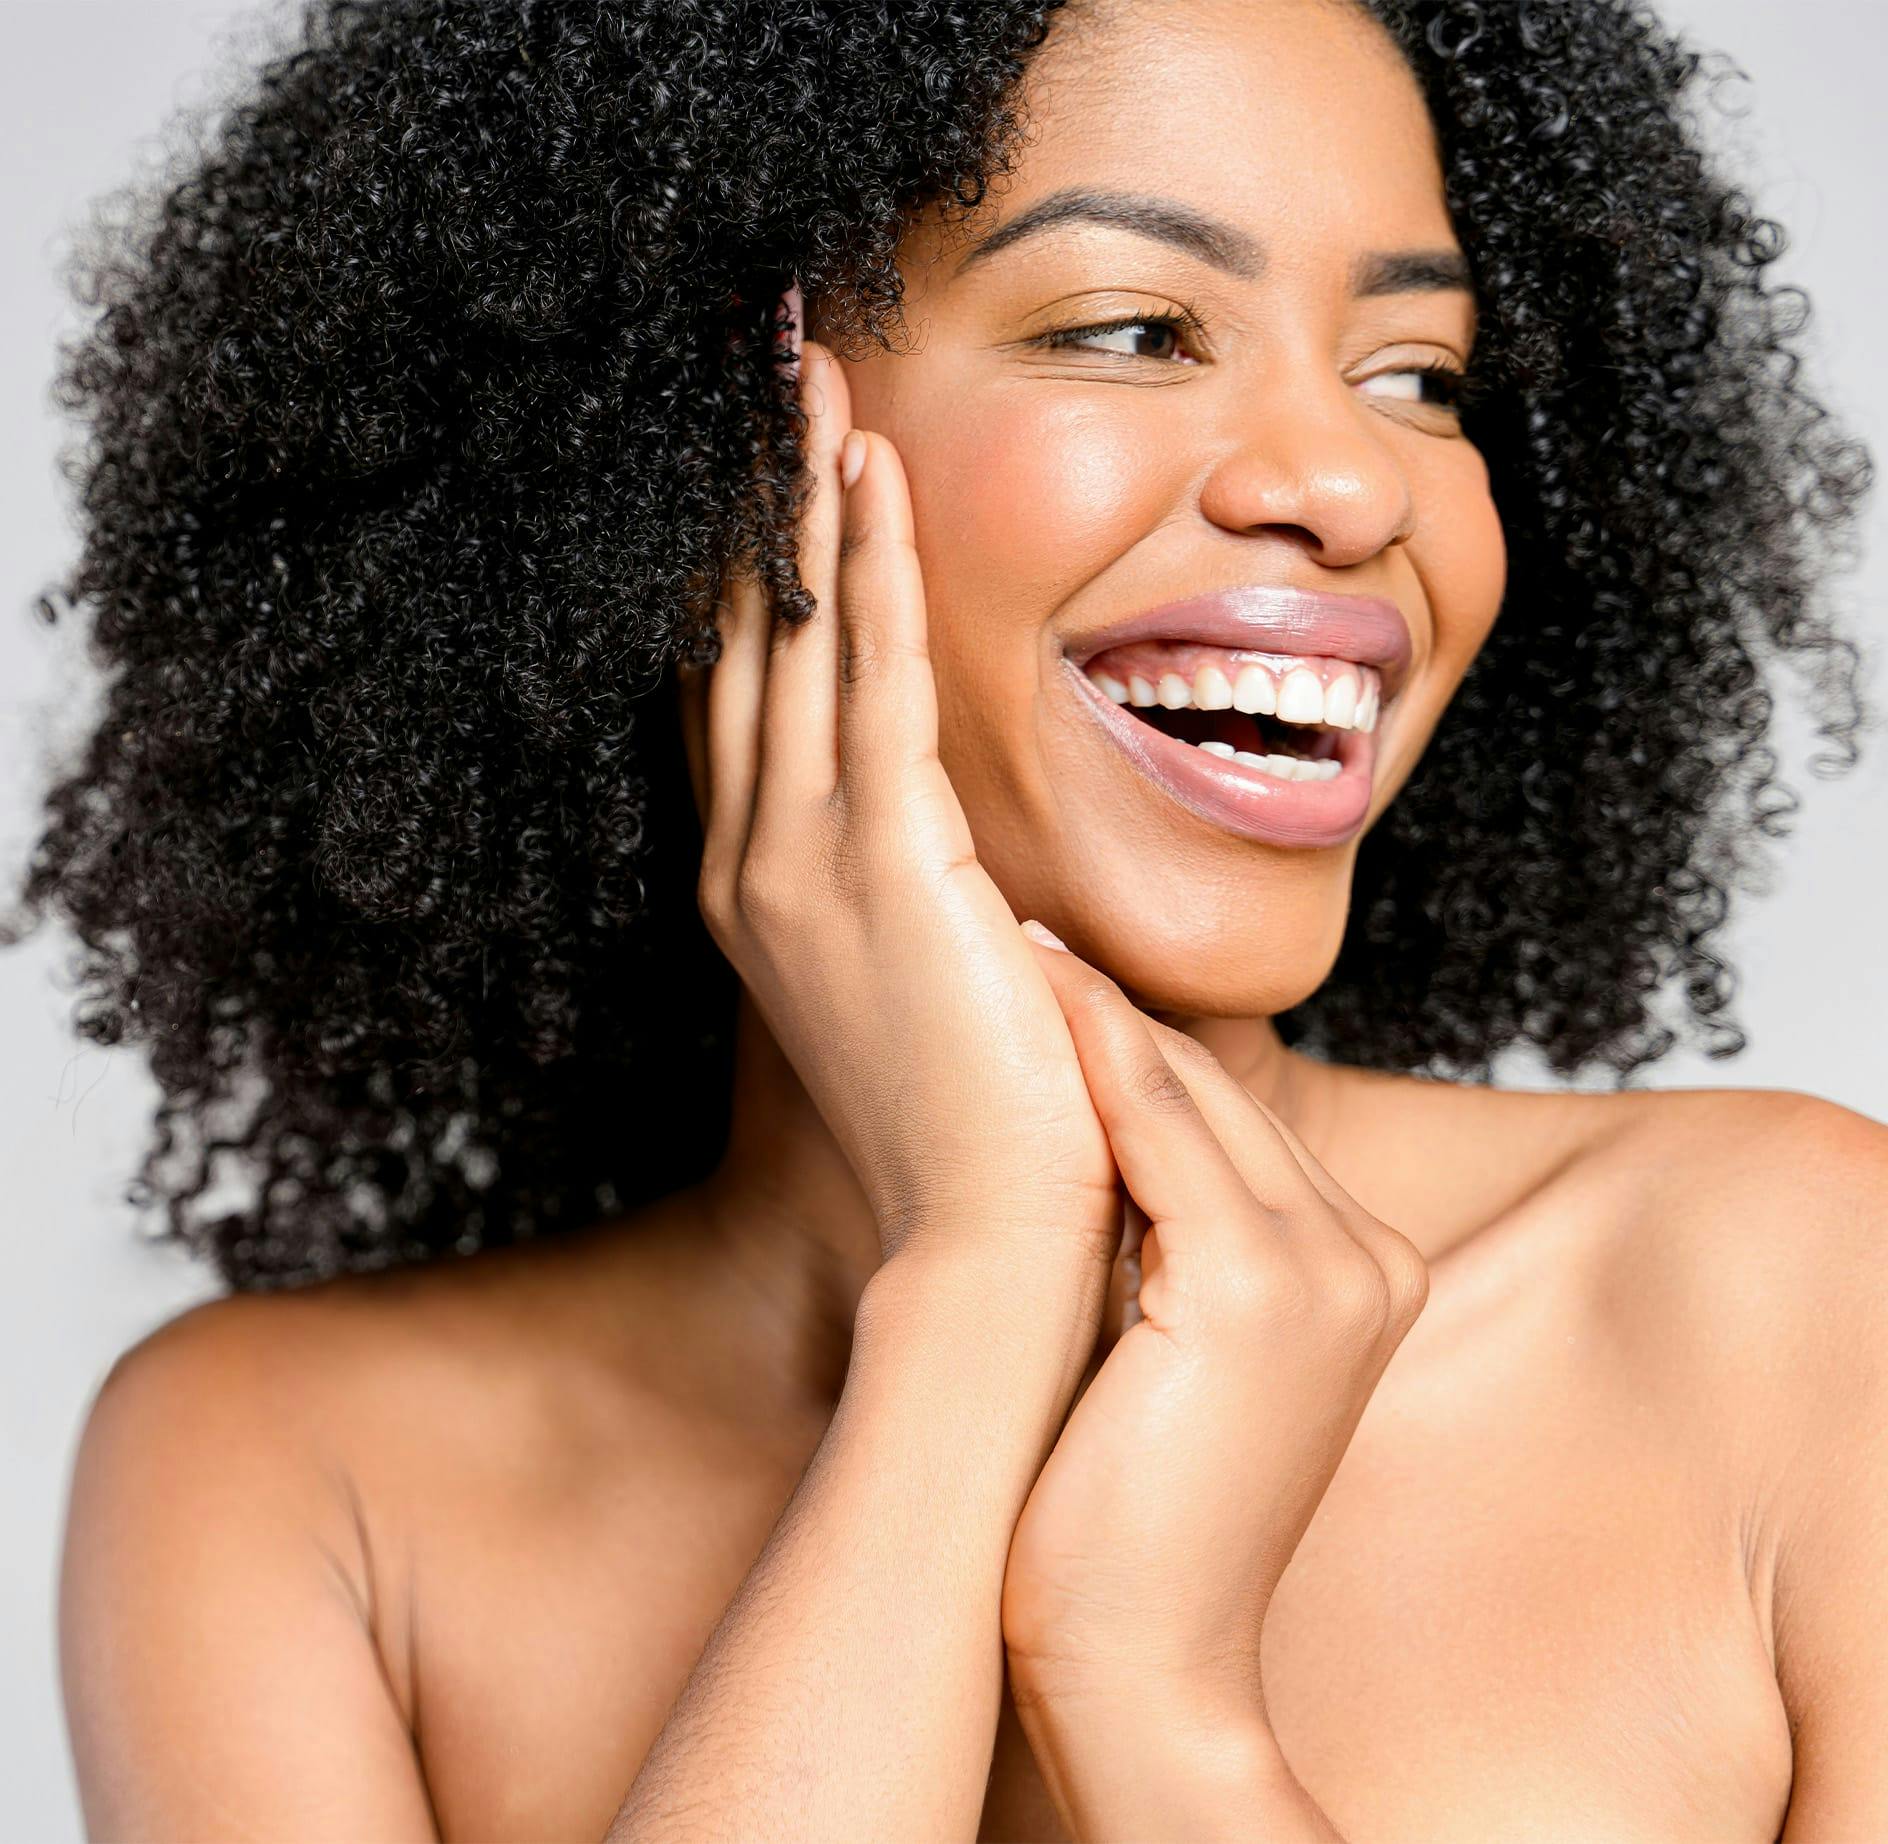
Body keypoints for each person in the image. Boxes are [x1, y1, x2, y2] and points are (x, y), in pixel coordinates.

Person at [28, 0, 1884, 1836]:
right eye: (1140, 330)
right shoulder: (294, 1477)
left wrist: (1147, 1691)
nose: (1347, 484)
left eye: (1418, 372)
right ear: (695, 464)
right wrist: (981, 1281)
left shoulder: (1790, 1293)